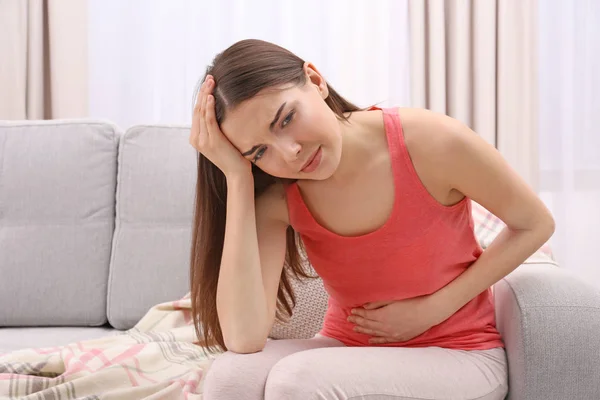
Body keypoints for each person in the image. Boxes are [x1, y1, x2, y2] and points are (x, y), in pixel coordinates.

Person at [188, 39, 555, 400]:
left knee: (297, 383)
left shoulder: (429, 141)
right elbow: (243, 338)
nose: (290, 153)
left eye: (286, 119)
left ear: (315, 81)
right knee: (229, 378)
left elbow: (535, 223)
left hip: (461, 354)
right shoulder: (279, 195)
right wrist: (238, 178)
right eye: (259, 151)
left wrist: (433, 309)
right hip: (349, 349)